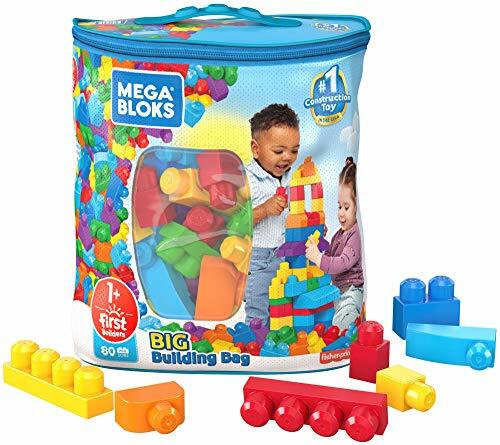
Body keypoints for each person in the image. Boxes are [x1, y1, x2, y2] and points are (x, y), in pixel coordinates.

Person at [244, 104, 300, 325]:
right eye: (278, 151)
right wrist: (264, 210)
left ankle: (278, 336)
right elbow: (234, 222)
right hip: (258, 257)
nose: (287, 158)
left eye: (294, 150)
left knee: (283, 304)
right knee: (258, 307)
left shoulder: (290, 177)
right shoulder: (246, 179)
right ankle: (255, 339)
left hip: (286, 253)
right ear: (256, 148)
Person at [305, 157, 364, 330]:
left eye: (346, 207)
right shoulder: (339, 234)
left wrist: (318, 257)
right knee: (326, 318)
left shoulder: (355, 235)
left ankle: (353, 326)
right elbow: (329, 258)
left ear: (358, 207)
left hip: (352, 292)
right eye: (339, 207)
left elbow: (342, 262)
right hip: (338, 291)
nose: (341, 213)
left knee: (341, 323)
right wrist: (319, 244)